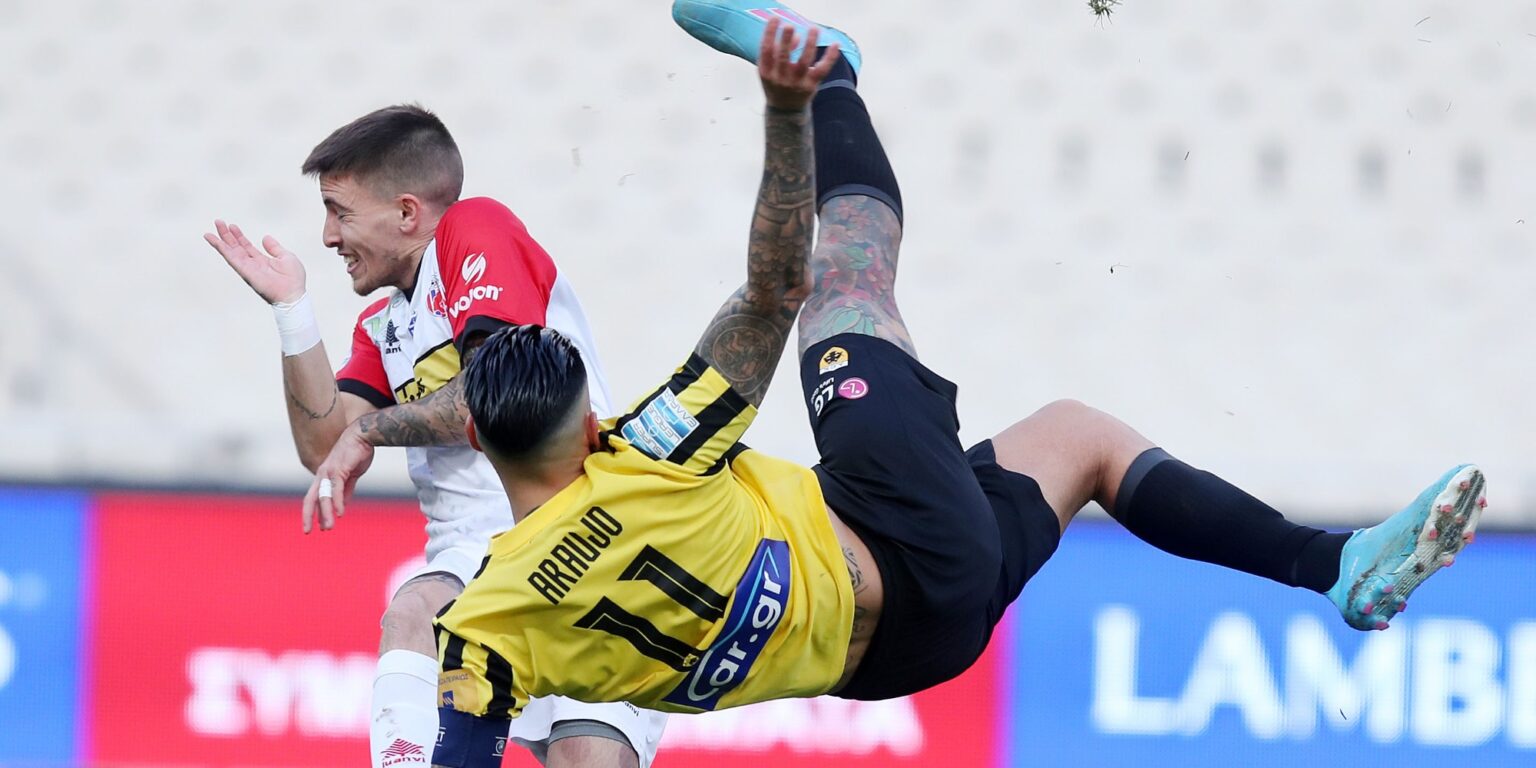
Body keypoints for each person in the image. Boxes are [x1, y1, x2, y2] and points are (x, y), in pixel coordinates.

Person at [428, 4, 1486, 765]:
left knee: (1079, 439)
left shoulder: (486, 623)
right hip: (905, 535)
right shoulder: (645, 448)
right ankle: (834, 76)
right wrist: (788, 113)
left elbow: (461, 744)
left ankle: (1337, 568)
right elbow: (773, 287)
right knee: (845, 278)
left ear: (475, 435)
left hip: (912, 655)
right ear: (587, 418)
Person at [203, 105, 666, 768]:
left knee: (586, 754)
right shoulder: (383, 325)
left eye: (339, 211)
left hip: (594, 541)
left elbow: (498, 396)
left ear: (407, 212)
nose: (329, 236)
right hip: (480, 562)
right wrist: (292, 313)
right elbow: (325, 448)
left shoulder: (477, 228)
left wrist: (369, 430)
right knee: (416, 612)